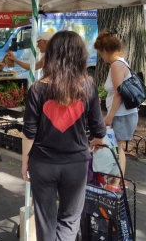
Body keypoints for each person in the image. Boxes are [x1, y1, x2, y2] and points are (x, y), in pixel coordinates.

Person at [21, 30, 106, 241]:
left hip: (42, 163)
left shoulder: (37, 89)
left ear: (51, 54)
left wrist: (25, 161)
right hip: (76, 165)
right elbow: (99, 130)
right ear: (80, 56)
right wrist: (97, 141)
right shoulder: (88, 87)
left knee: (45, 221)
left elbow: (29, 132)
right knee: (69, 220)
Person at [93, 31, 138, 193]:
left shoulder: (116, 65)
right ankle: (118, 180)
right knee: (118, 147)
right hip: (124, 113)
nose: (101, 57)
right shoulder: (122, 63)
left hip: (120, 114)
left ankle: (117, 181)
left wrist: (110, 115)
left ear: (105, 50)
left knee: (117, 147)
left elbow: (119, 92)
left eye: (100, 52)